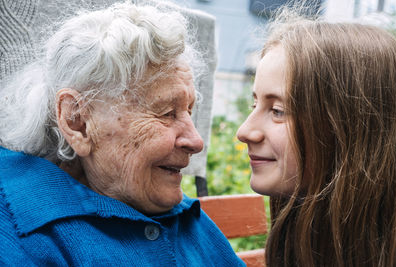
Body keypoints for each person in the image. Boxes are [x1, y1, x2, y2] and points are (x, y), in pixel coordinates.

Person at [0, 2, 244, 266]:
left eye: (189, 111)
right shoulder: (19, 230)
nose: (196, 142)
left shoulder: (166, 204)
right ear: (78, 121)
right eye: (165, 113)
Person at [236, 8, 396, 267]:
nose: (244, 132)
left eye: (278, 111)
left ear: (350, 128)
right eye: (253, 104)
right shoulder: (302, 245)